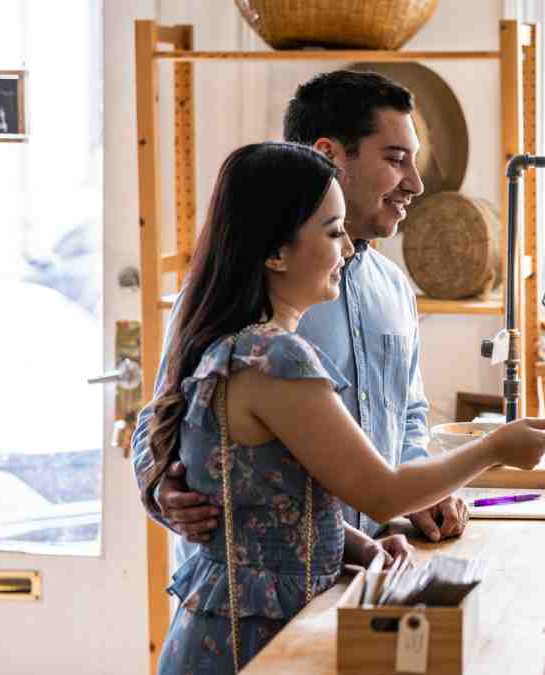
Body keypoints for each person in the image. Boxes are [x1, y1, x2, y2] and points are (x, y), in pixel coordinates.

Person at [149, 142, 545, 673]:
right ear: (276, 253)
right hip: (251, 647)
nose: (347, 249)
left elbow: (269, 512)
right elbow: (382, 491)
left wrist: (359, 548)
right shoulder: (275, 359)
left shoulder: (231, 346)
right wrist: (496, 447)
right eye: (332, 231)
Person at [132, 71, 465, 571]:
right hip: (258, 595)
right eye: (396, 160)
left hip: (367, 563)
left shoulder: (394, 289)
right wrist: (160, 488)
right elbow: (162, 414)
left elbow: (410, 413)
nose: (416, 184)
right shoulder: (245, 297)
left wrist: (421, 487)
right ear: (330, 155)